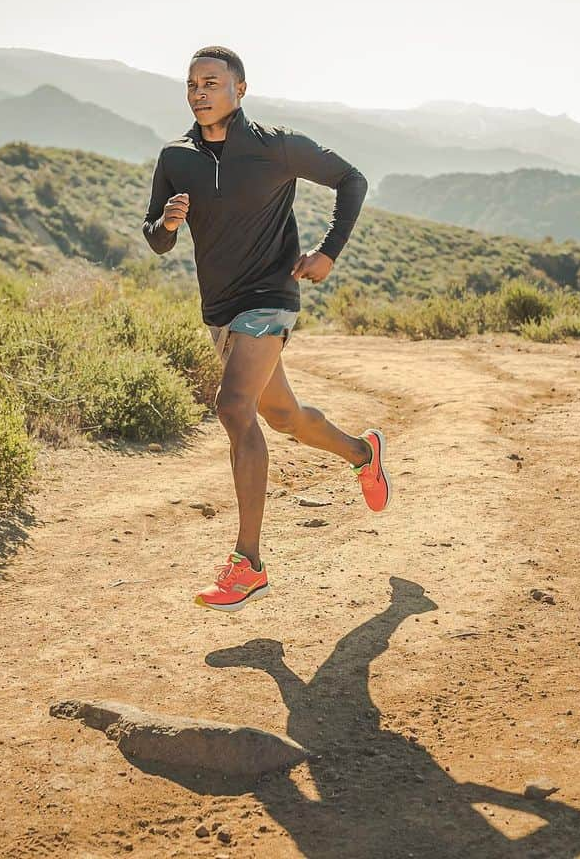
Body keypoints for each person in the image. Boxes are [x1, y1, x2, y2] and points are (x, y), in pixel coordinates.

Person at [142, 46, 392, 612]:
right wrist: (167, 224)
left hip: (271, 298)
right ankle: (362, 454)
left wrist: (328, 252)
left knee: (234, 407)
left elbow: (352, 179)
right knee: (283, 417)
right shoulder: (175, 157)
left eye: (211, 82)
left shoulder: (275, 146)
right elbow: (155, 237)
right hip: (222, 310)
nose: (199, 92)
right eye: (191, 84)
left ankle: (247, 563)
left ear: (240, 89)